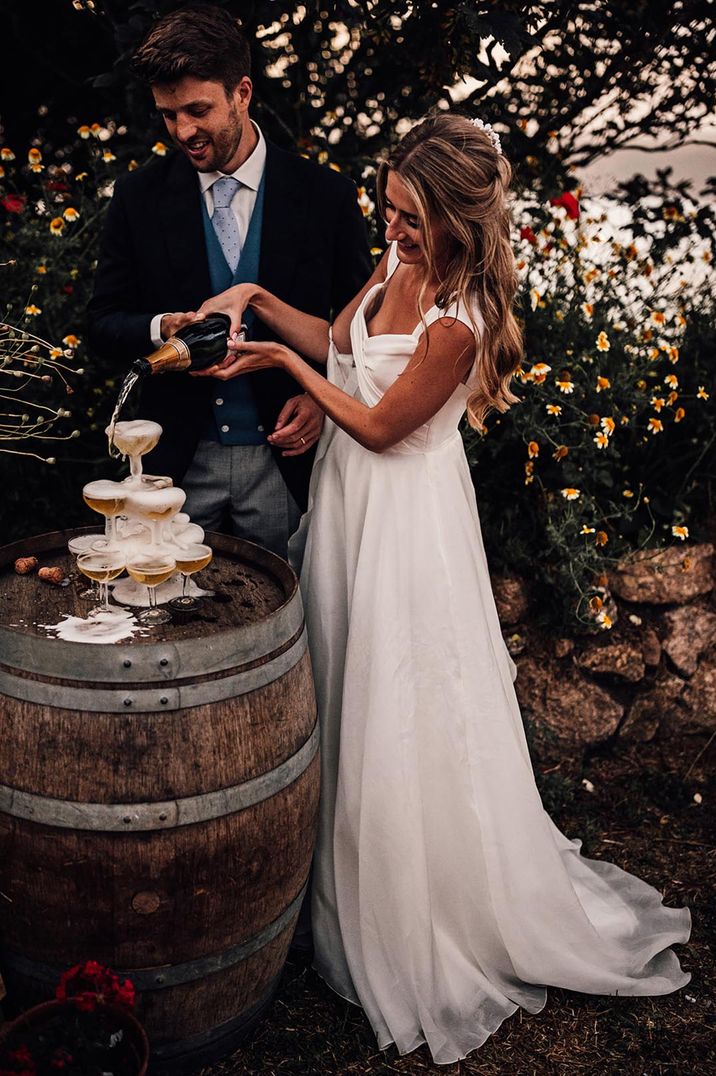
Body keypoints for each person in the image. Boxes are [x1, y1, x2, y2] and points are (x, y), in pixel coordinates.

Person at [196, 114, 691, 1065]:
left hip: (406, 530)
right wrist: (259, 301)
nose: (393, 229)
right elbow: (338, 346)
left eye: (412, 217)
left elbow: (380, 427)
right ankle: (334, 892)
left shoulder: (458, 321)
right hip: (345, 518)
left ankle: (418, 912)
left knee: (404, 711)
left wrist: (288, 367)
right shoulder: (391, 269)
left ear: (459, 220)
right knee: (342, 694)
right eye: (389, 208)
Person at [87, 4, 372, 557]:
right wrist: (161, 326)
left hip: (287, 465)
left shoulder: (326, 197)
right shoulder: (138, 198)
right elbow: (101, 325)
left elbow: (361, 331)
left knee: (286, 625)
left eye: (197, 110)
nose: (183, 131)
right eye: (168, 116)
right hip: (174, 470)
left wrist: (321, 399)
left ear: (242, 92)